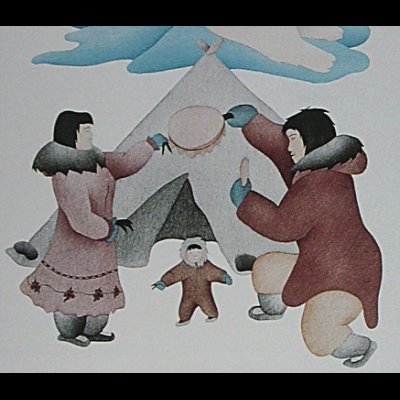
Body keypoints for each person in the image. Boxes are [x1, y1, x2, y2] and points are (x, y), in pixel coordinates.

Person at [224, 106, 382, 368]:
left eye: (294, 139)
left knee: (319, 334)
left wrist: (246, 202)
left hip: (347, 275)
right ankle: (273, 309)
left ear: (310, 139)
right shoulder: (320, 164)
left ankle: (361, 346)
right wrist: (252, 122)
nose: (288, 147)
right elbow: (280, 145)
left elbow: (283, 227)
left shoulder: (320, 184)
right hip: (320, 262)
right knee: (267, 267)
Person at [19, 110, 171, 347]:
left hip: (100, 248)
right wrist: (106, 230)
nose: (91, 135)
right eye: (86, 131)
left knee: (98, 293)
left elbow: (124, 163)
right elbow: (80, 218)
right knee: (71, 294)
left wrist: (149, 145)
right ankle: (69, 332)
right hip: (75, 248)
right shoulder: (66, 175)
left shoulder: (95, 160)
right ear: (71, 135)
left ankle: (92, 331)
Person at [152, 238, 233, 327]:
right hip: (188, 296)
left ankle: (212, 315)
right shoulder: (183, 268)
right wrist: (163, 282)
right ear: (185, 254)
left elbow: (215, 272)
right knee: (184, 310)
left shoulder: (206, 267)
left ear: (203, 254)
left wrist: (223, 277)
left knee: (209, 307)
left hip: (204, 295)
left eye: (198, 253)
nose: (195, 256)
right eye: (191, 253)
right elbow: (173, 274)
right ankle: (184, 319)